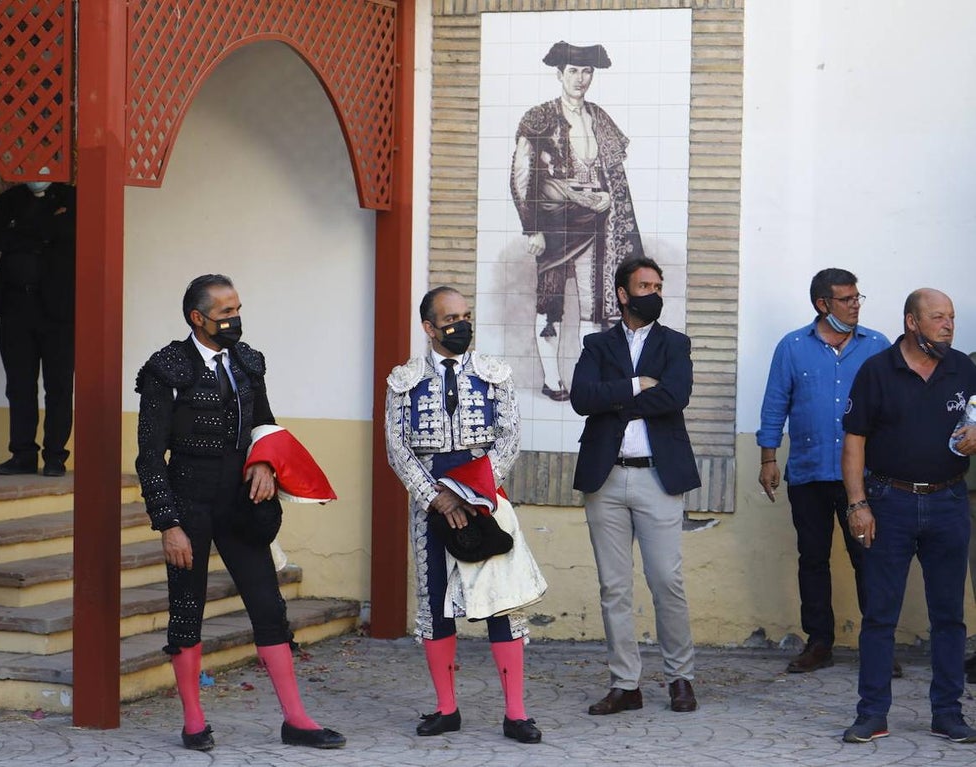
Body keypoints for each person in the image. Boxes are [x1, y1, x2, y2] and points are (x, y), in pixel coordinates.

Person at [134, 274, 345, 752]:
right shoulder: (166, 368)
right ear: (198, 318)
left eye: (237, 309)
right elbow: (149, 456)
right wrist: (168, 523)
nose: (235, 318)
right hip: (188, 500)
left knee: (268, 605)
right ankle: (193, 722)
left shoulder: (248, 362)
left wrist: (265, 462)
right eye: (225, 312)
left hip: (239, 499)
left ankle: (296, 719)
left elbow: (264, 423)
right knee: (187, 609)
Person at [384, 286, 541, 744]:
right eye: (451, 319)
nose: (461, 325)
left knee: (501, 601)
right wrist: (437, 498)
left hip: (484, 497)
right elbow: (397, 448)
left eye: (466, 315)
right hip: (431, 504)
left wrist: (470, 493)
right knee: (434, 602)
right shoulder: (403, 380)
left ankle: (516, 714)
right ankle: (446, 708)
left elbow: (509, 438)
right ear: (429, 327)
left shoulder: (495, 374)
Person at [841, 288, 976, 744]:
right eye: (937, 317)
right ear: (911, 322)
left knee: (949, 616)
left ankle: (948, 713)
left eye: (951, 317)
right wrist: (858, 504)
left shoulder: (964, 369)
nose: (948, 325)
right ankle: (872, 714)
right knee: (880, 615)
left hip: (949, 502)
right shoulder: (877, 370)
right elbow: (854, 440)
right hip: (889, 502)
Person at [570, 256, 699, 715]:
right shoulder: (597, 344)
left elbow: (676, 395)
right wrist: (637, 384)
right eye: (645, 286)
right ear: (623, 294)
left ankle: (680, 678)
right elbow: (582, 397)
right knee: (614, 587)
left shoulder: (675, 344)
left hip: (658, 477)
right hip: (605, 478)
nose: (654, 293)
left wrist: (617, 398)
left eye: (658, 286)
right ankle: (626, 684)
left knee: (667, 581)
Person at [756, 269, 890, 673]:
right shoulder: (793, 347)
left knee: (869, 559)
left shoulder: (877, 346)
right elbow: (775, 404)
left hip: (863, 478)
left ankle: (878, 646)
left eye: (857, 297)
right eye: (846, 299)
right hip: (809, 473)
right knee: (812, 559)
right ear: (822, 304)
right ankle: (819, 644)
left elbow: (894, 407)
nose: (855, 305)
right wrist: (768, 459)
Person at [511, 41, 645, 402]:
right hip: (553, 224)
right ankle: (552, 379)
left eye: (587, 71)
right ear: (559, 74)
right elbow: (522, 175)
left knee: (593, 303)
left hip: (595, 222)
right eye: (573, 71)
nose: (580, 78)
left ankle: (588, 380)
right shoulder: (539, 117)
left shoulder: (599, 117)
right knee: (550, 301)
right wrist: (531, 227)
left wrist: (608, 198)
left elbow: (612, 175)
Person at [0, 173, 76, 477]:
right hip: (16, 307)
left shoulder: (71, 198)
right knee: (19, 385)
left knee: (58, 386)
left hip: (59, 309)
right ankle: (22, 454)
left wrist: (21, 231)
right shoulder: (11, 199)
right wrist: (44, 231)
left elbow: (68, 233)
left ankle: (55, 456)